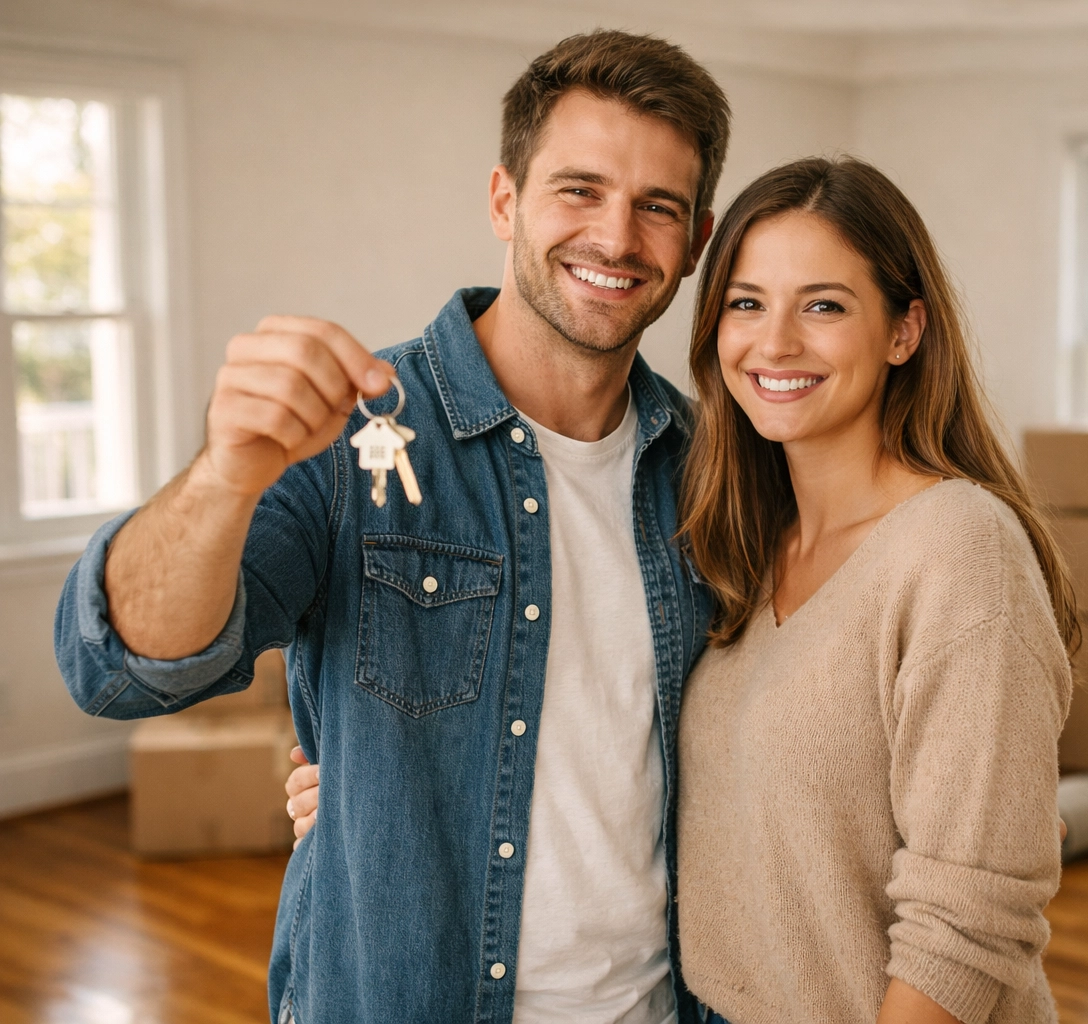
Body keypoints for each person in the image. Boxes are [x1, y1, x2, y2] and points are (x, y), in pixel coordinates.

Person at [291, 157, 1081, 1023]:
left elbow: (969, 918)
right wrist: (381, 787)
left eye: (824, 305)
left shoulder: (957, 548)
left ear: (904, 331)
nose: (775, 343)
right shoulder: (735, 542)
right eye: (747, 303)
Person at [54, 30, 729, 1024]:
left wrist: (364, 796)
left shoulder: (711, 468)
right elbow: (119, 668)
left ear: (697, 238)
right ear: (505, 199)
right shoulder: (357, 433)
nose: (618, 238)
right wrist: (225, 474)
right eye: (578, 190)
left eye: (657, 207)